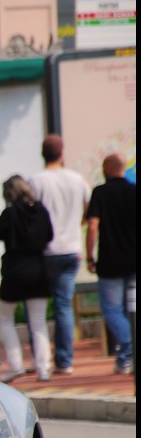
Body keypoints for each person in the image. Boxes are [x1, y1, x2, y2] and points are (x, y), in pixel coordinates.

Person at [29, 134, 92, 374]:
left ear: (42, 153)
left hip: (45, 252)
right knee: (64, 305)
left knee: (38, 309)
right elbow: (88, 210)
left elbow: (30, 213)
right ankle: (64, 361)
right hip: (71, 250)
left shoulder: (36, 181)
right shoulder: (77, 180)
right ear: (62, 153)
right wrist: (78, 224)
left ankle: (41, 361)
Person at [0, 175, 54, 382]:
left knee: (5, 318)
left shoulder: (10, 214)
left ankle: (15, 365)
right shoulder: (41, 210)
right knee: (38, 322)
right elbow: (50, 236)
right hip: (38, 271)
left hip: (14, 272)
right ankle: (44, 368)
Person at [85, 152, 136, 375]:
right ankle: (127, 352)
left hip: (110, 262)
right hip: (133, 262)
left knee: (112, 309)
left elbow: (93, 225)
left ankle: (127, 349)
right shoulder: (134, 191)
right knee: (131, 308)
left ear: (107, 168)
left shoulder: (100, 193)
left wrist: (89, 255)